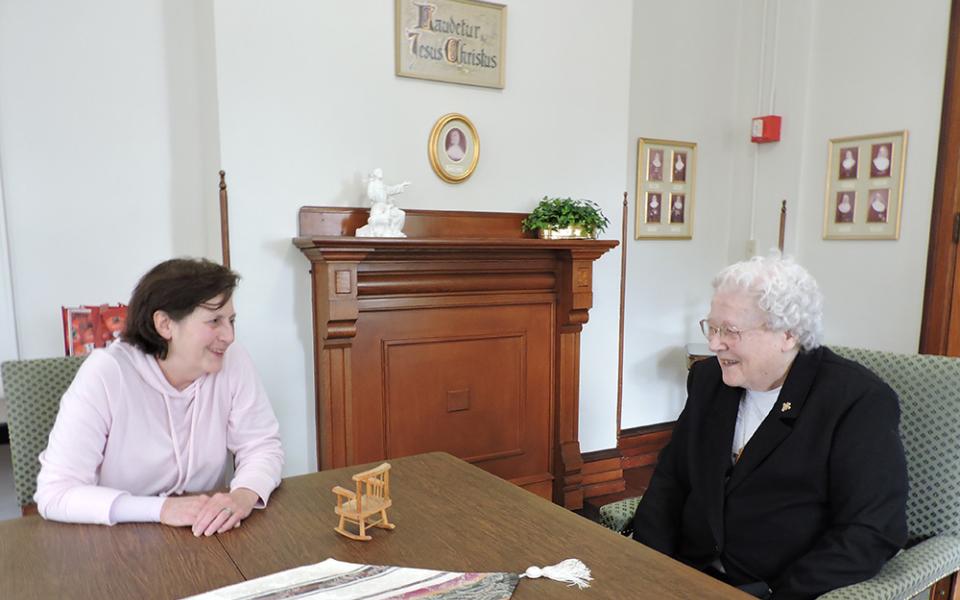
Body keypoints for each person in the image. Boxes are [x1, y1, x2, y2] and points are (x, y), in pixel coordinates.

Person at [631, 254, 907, 600]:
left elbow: (872, 530)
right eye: (711, 327)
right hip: (685, 574)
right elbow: (672, 479)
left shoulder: (856, 401)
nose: (715, 344)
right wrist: (644, 568)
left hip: (773, 587)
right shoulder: (708, 380)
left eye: (729, 331)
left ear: (788, 334)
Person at [36, 258, 284, 536]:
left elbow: (262, 446)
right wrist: (161, 509)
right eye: (214, 321)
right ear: (165, 324)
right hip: (115, 540)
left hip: (205, 534)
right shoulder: (106, 373)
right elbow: (55, 493)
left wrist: (243, 495)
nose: (229, 336)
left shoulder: (232, 360)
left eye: (231, 320)